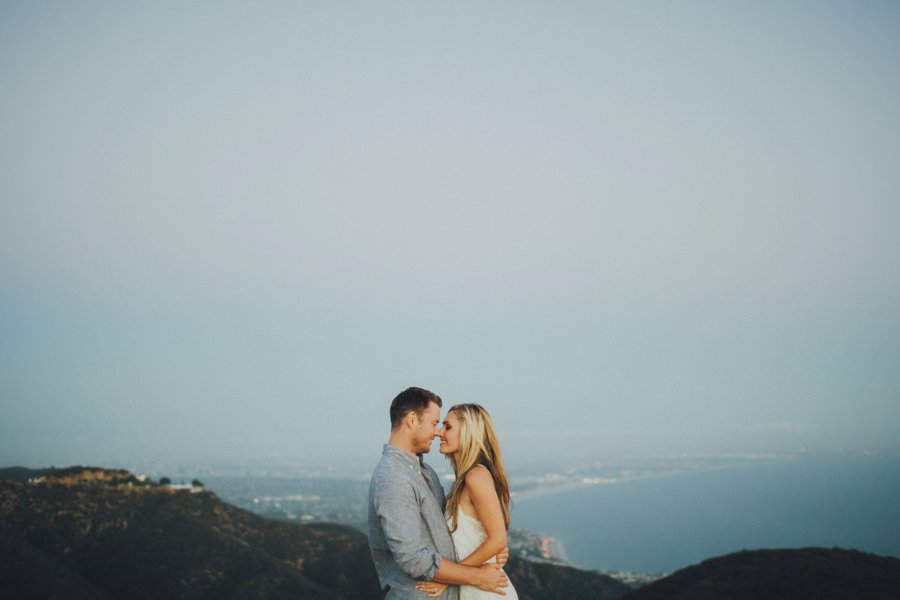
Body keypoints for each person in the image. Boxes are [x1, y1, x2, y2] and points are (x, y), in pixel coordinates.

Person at [368, 387, 510, 599]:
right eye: (435, 423)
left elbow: (450, 530)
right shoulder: (393, 478)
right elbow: (413, 559)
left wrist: (493, 547)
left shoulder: (427, 473)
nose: (437, 432)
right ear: (412, 420)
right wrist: (475, 576)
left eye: (444, 425)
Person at [416, 403, 519, 599]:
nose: (439, 433)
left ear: (468, 432)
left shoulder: (476, 477)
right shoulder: (465, 480)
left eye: (448, 427)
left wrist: (448, 578)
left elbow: (498, 539)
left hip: (486, 593)